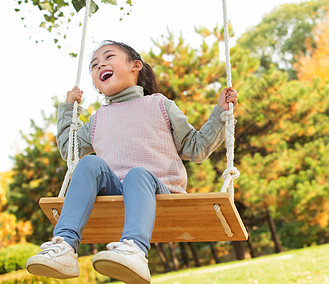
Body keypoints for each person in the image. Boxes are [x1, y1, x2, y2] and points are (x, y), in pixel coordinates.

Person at [26, 40, 238, 284]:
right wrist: (67, 111)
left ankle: (135, 251)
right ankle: (64, 246)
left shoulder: (159, 104)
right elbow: (70, 151)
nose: (100, 65)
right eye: (94, 64)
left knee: (138, 174)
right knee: (88, 164)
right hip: (118, 193)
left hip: (160, 191)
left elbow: (196, 148)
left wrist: (220, 113)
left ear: (136, 66)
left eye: (108, 58)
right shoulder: (98, 119)